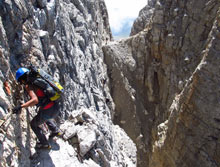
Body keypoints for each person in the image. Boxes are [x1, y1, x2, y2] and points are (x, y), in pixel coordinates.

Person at [13, 67, 61, 149]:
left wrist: (21, 106)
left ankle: (44, 144)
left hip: (48, 111)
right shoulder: (38, 80)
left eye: (21, 82)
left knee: (33, 124)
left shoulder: (29, 85)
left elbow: (35, 100)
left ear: (22, 79)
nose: (22, 84)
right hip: (55, 106)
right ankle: (55, 130)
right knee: (41, 113)